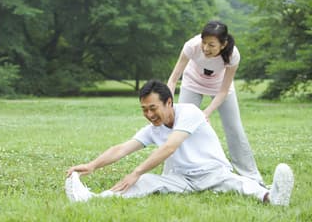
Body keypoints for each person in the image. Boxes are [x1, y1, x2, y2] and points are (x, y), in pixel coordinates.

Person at [65, 80, 294, 206]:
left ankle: (271, 197)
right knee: (144, 182)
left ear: (169, 103)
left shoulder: (190, 112)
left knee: (240, 184)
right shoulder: (153, 128)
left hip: (214, 172)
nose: (149, 114)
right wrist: (92, 165)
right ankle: (90, 199)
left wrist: (135, 170)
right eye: (144, 110)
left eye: (153, 108)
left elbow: (170, 147)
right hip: (182, 179)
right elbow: (122, 148)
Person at [167, 20, 263, 184]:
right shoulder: (191, 46)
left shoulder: (233, 55)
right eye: (204, 43)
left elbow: (224, 91)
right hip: (192, 82)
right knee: (180, 126)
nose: (205, 48)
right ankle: (172, 173)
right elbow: (174, 78)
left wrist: (206, 112)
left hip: (219, 87)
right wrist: (167, 104)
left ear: (223, 44)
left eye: (211, 45)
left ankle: (251, 176)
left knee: (234, 128)